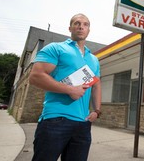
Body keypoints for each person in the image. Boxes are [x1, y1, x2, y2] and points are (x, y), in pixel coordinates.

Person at [29, 13, 102, 161]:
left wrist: (97, 111)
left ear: (89, 30)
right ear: (70, 28)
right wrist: (70, 89)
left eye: (85, 24)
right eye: (77, 23)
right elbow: (35, 76)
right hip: (56, 120)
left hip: (83, 123)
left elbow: (96, 84)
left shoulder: (93, 59)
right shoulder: (56, 48)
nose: (81, 26)